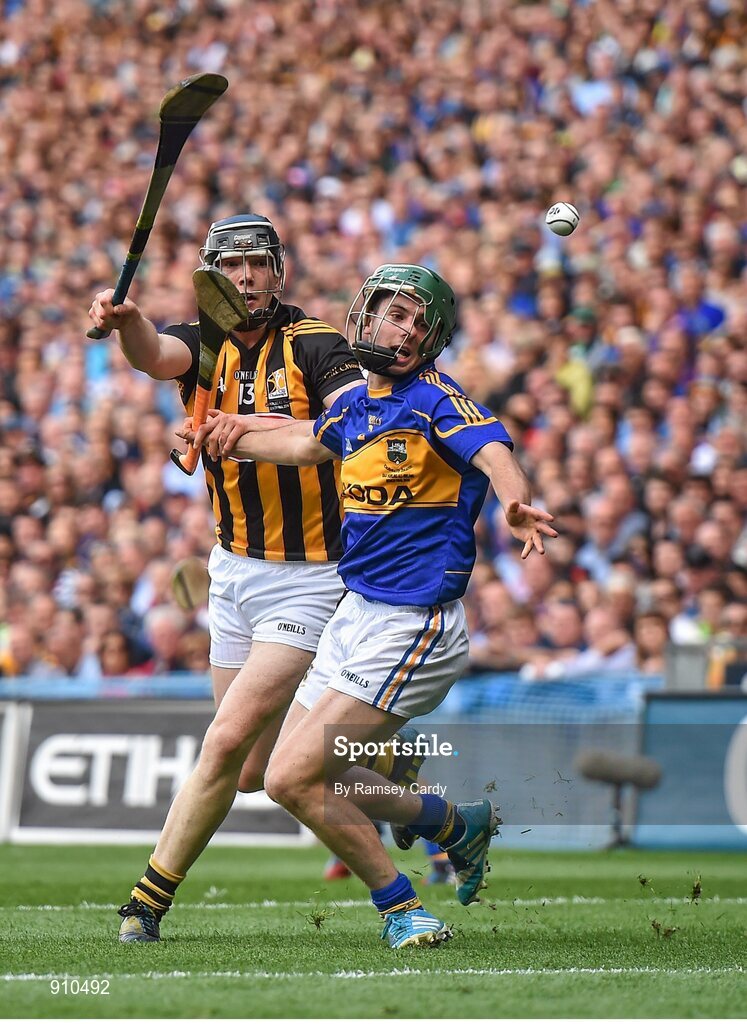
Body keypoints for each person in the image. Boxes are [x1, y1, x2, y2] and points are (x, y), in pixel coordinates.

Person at [188, 264, 556, 948]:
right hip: (356, 616)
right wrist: (230, 430)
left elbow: (493, 446)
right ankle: (449, 821)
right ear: (366, 314)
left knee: (295, 778)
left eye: (418, 322)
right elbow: (302, 441)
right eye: (394, 313)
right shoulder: (354, 403)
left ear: (431, 342)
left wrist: (511, 500)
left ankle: (403, 908)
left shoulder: (436, 400)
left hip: (413, 625)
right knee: (284, 775)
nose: (403, 328)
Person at [89, 215, 419, 943]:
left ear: (279, 271)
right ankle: (416, 798)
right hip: (232, 570)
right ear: (210, 278)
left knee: (223, 737)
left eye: (257, 264)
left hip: (312, 576)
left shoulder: (317, 344)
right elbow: (155, 358)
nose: (245, 277)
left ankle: (147, 902)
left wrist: (245, 427)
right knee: (248, 773)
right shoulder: (203, 342)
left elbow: (342, 430)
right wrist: (129, 321)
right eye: (230, 266)